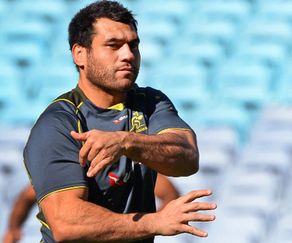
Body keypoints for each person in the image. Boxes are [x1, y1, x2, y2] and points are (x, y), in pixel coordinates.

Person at [23, 1, 216, 243]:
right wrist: (154, 222)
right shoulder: (59, 123)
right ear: (79, 54)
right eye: (113, 46)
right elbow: (67, 223)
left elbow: (187, 157)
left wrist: (126, 142)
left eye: (133, 45)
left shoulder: (150, 102)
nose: (127, 55)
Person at [2, 175, 180, 243]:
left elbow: (170, 193)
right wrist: (13, 228)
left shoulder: (130, 169)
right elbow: (26, 197)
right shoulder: (68, 173)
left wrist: (147, 224)